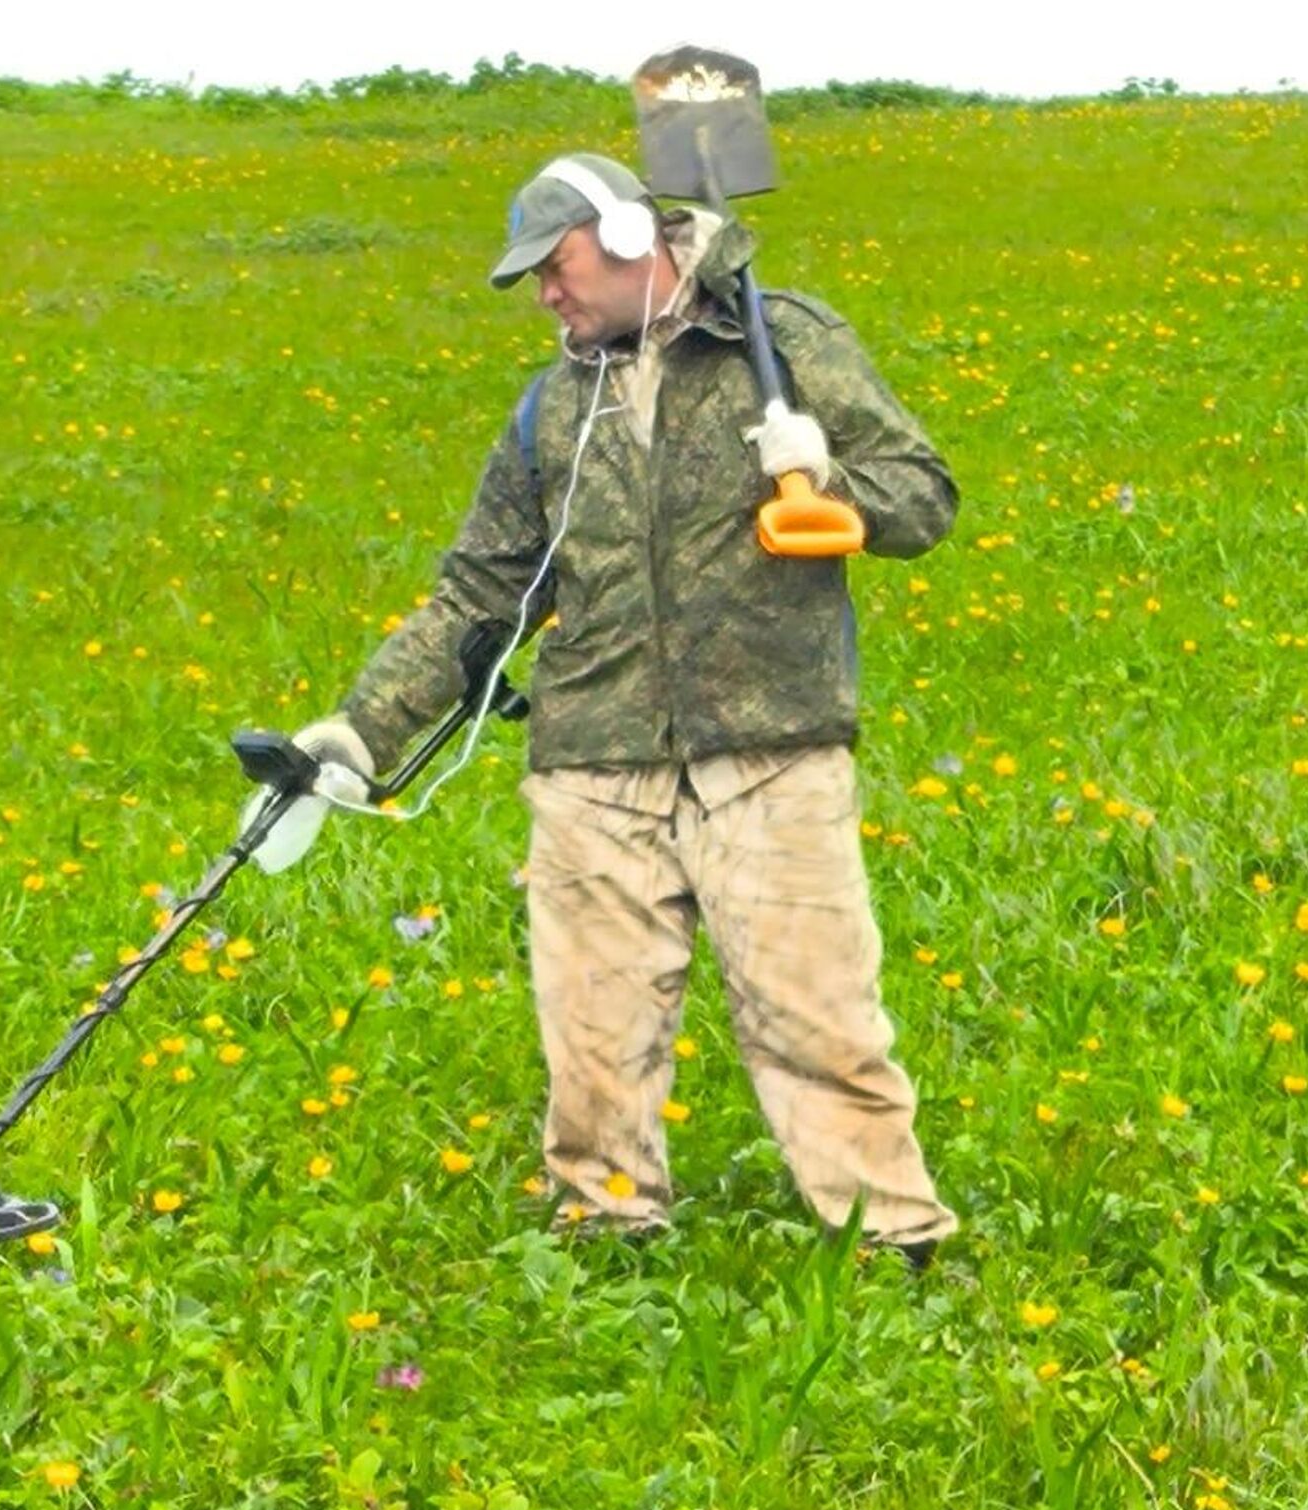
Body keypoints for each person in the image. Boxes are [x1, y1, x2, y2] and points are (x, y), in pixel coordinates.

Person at [293, 152, 961, 1263]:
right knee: (595, 1031)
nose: (546, 299)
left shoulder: (782, 343)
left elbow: (925, 496)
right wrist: (363, 729)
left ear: (618, 235)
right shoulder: (552, 409)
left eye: (553, 271)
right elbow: (481, 587)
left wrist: (830, 479)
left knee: (818, 1017)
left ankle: (893, 1239)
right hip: (593, 754)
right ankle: (608, 1232)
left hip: (771, 743)